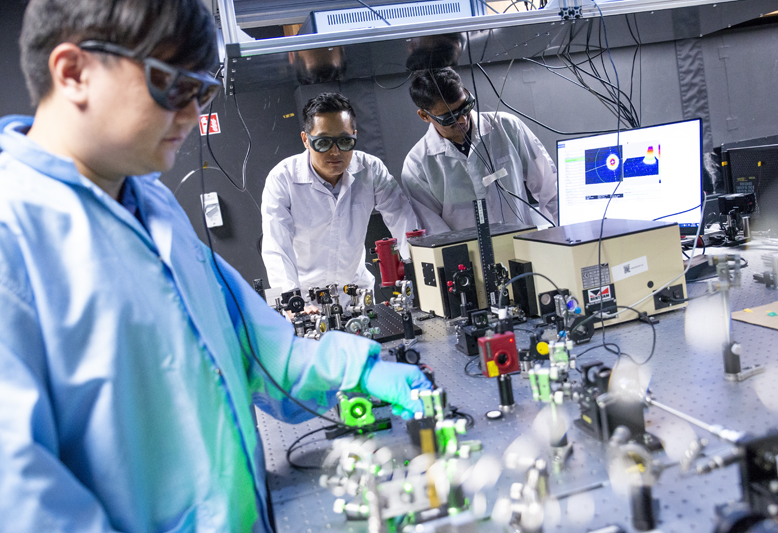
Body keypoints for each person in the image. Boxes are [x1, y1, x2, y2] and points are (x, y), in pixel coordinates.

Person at [0, 1, 430, 532]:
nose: (190, 114)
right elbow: (21, 498)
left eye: (200, 92)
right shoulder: (12, 234)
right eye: (170, 83)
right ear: (74, 72)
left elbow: (265, 355)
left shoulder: (153, 209)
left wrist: (361, 374)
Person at [261, 92, 418, 301]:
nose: (335, 152)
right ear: (306, 140)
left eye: (344, 141)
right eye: (323, 143)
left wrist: (418, 271)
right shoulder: (282, 178)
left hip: (356, 292)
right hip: (304, 296)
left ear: (354, 135)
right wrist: (292, 301)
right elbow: (276, 246)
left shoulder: (370, 169)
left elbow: (403, 218)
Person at [401, 67, 558, 235]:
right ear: (424, 116)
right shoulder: (417, 165)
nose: (463, 119)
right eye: (450, 117)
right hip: (468, 258)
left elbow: (549, 187)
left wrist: (561, 235)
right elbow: (434, 229)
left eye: (465, 107)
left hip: (524, 247)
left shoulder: (507, 127)